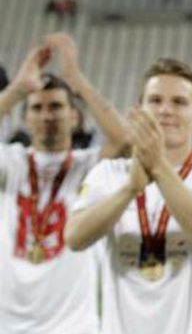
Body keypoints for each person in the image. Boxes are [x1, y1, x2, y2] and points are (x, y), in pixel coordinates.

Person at [65, 58, 192, 334]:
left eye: (179, 102)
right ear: (139, 111)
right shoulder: (108, 174)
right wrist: (129, 190)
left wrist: (157, 167)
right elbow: (75, 238)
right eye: (155, 100)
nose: (165, 110)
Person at [0, 33, 130, 334]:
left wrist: (77, 81)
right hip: (9, 324)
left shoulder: (91, 167)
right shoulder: (11, 163)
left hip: (74, 325)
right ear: (25, 119)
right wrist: (18, 88)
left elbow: (126, 142)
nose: (47, 115)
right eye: (37, 108)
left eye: (56, 106)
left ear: (74, 117)